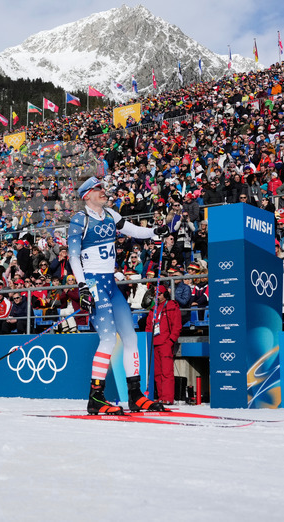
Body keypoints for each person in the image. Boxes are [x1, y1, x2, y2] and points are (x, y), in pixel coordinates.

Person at [68, 176, 169, 415]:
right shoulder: (79, 220)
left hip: (111, 283)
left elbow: (132, 230)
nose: (103, 192)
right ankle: (96, 398)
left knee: (130, 337)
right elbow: (73, 257)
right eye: (98, 189)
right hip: (93, 283)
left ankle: (136, 396)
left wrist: (155, 231)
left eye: (102, 188)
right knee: (107, 339)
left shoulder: (111, 214)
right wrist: (82, 286)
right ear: (87, 195)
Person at [145, 285, 182, 405]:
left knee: (167, 372)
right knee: (157, 373)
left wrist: (171, 341)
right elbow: (148, 327)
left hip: (165, 343)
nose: (157, 296)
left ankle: (167, 397)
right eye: (155, 294)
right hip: (154, 344)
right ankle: (161, 396)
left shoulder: (171, 306)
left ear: (165, 294)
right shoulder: (153, 309)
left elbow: (177, 325)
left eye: (159, 294)